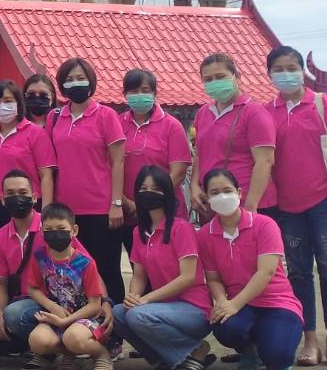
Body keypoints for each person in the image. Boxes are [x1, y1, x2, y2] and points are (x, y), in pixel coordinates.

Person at [266, 45, 327, 368]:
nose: (286, 74)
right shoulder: (267, 111)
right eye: (279, 69)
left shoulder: (322, 104)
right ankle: (310, 340)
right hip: (287, 207)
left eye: (292, 68)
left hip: (324, 203)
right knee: (299, 274)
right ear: (269, 74)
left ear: (302, 71)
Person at [0, 169, 89, 368]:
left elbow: (85, 264)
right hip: (20, 302)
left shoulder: (51, 228)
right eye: (10, 193)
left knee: (14, 315)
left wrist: (103, 301)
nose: (17, 198)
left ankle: (57, 349)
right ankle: (35, 344)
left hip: (56, 301)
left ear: (34, 197)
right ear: (2, 200)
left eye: (23, 193)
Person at [197, 168, 303, 370]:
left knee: (278, 360)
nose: (222, 196)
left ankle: (271, 344)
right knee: (224, 326)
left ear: (239, 193)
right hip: (241, 307)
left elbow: (266, 272)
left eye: (227, 190)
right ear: (207, 198)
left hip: (276, 302)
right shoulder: (204, 235)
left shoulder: (264, 225)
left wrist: (234, 304)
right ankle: (249, 349)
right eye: (215, 193)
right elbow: (213, 277)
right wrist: (222, 303)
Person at [112, 165, 213, 370]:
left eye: (156, 188)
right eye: (144, 188)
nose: (149, 193)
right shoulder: (139, 232)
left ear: (167, 193)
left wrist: (146, 300)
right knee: (118, 313)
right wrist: (133, 298)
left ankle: (195, 348)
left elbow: (188, 277)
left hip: (193, 309)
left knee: (138, 316)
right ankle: (167, 358)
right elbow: (139, 276)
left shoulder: (181, 228)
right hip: (161, 308)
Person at [46, 57, 127, 303]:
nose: (75, 83)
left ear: (91, 81)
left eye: (80, 78)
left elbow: (118, 162)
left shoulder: (106, 115)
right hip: (67, 211)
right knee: (73, 270)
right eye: (69, 79)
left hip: (101, 209)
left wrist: (116, 203)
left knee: (106, 268)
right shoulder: (54, 117)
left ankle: (113, 320)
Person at [23, 202, 114, 370]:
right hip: (56, 315)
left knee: (74, 338)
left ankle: (102, 354)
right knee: (37, 341)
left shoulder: (85, 263)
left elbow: (94, 305)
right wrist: (52, 307)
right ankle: (68, 355)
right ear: (41, 231)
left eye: (61, 229)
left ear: (74, 230)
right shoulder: (40, 257)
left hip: (85, 318)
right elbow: (32, 289)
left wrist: (65, 321)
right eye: (48, 229)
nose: (55, 233)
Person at [192, 53, 276, 219]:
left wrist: (251, 206)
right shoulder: (203, 113)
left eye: (220, 77)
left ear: (237, 76)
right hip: (214, 202)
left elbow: (265, 161)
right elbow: (199, 154)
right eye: (208, 79)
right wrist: (194, 186)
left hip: (249, 204)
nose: (214, 82)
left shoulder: (254, 113)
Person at [117, 70, 191, 248]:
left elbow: (178, 172)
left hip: (164, 211)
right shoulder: (117, 123)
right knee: (138, 260)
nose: (139, 95)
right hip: (128, 213)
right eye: (133, 91)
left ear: (154, 93)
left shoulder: (172, 126)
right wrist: (125, 202)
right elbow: (108, 165)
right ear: (125, 94)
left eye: (145, 90)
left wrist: (147, 201)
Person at [0, 81, 56, 240]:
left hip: (27, 202)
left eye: (8, 101)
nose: (2, 105)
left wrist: (46, 212)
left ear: (19, 104)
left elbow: (46, 176)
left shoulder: (35, 134)